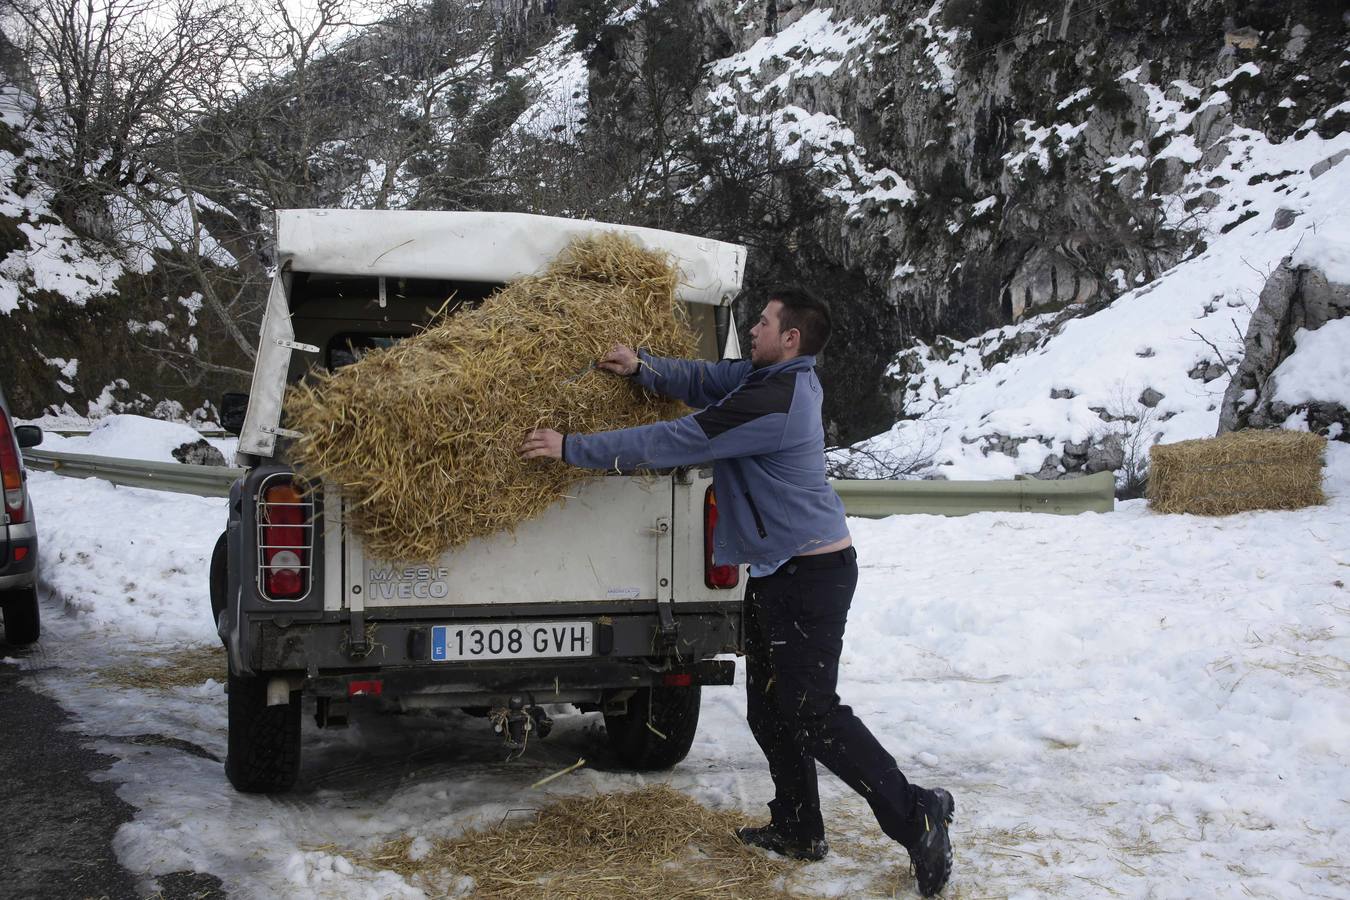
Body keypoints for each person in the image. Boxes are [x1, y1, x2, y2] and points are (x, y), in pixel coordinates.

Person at [519, 286, 955, 897]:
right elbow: (707, 377)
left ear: (791, 339)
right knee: (771, 708)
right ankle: (800, 826)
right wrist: (645, 369)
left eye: (764, 322)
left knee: (812, 711)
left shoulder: (775, 399)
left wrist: (574, 449)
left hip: (814, 576)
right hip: (778, 572)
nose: (753, 329)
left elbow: (677, 440)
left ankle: (918, 813)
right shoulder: (766, 379)